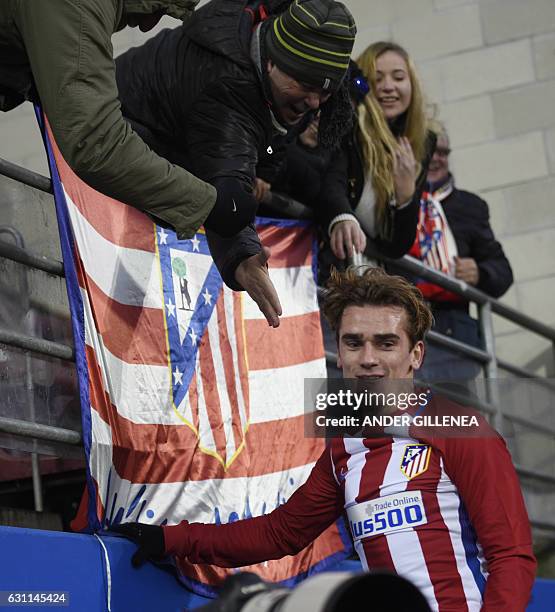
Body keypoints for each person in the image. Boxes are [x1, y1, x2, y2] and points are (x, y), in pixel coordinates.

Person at [113, 267, 536, 611]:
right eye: (354, 343)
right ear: (339, 351)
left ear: (416, 355)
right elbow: (278, 534)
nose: (367, 358)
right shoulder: (344, 447)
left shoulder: (462, 430)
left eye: (386, 343)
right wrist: (170, 539)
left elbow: (511, 557)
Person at [115, 0, 356, 327]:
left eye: (325, 93)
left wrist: (262, 168)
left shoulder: (282, 71)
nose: (314, 103)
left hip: (164, 155)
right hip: (117, 145)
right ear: (271, 63)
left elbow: (269, 145)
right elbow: (227, 194)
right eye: (306, 86)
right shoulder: (229, 84)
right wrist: (241, 253)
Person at [0, 0, 264, 242]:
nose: (149, 24)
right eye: (157, 8)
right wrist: (209, 205)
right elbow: (96, 142)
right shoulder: (79, 7)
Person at [317, 42, 436, 273]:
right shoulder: (348, 124)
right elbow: (331, 181)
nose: (388, 87)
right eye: (377, 78)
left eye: (399, 77)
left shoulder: (422, 141)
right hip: (335, 264)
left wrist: (405, 198)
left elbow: (397, 246)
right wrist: (342, 216)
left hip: (376, 270)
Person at [409, 123, 513, 381]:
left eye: (442, 152)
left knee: (452, 418)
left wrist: (481, 273)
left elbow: (502, 271)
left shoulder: (470, 206)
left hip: (452, 333)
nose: (436, 158)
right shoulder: (394, 200)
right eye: (428, 150)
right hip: (404, 324)